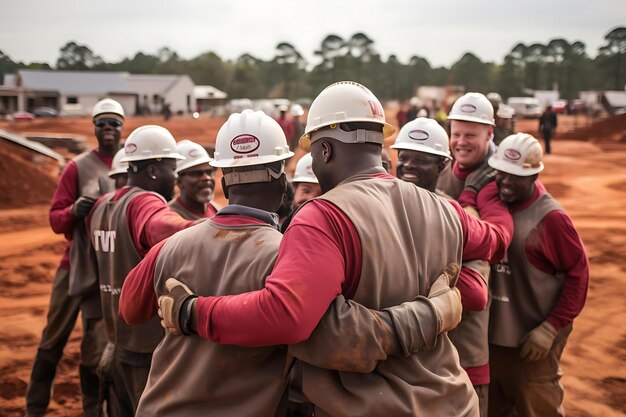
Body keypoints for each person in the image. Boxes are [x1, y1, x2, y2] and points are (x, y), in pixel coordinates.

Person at [159, 81, 518, 416]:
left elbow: (287, 316)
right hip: (452, 400)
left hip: (373, 407)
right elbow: (491, 241)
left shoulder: (323, 216)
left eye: (313, 154)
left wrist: (193, 312)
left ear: (325, 150)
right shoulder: (443, 208)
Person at [392, 117, 513, 417]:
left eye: (420, 160)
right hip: (406, 369)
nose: (408, 166)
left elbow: (475, 294)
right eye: (403, 157)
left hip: (463, 364)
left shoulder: (458, 218)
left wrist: (402, 274)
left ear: (442, 167)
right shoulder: (386, 211)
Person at [86, 125, 196, 416]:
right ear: (153, 171)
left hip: (116, 341)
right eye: (173, 168)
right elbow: (166, 229)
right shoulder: (144, 202)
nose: (176, 178)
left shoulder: (101, 206)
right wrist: (216, 226)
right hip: (147, 349)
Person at [25, 98, 124, 417]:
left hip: (109, 270)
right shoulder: (78, 167)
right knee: (53, 340)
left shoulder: (127, 167)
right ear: (94, 128)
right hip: (75, 266)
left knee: (95, 353)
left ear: (122, 127)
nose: (107, 128)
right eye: (101, 123)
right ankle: (34, 408)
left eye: (113, 123)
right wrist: (72, 211)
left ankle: (93, 410)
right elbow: (55, 220)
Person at [487, 133, 589, 417]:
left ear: (533, 176)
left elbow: (578, 274)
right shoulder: (495, 203)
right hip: (493, 344)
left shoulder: (551, 219)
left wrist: (551, 327)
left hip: (531, 349)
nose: (505, 182)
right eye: (501, 174)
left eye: (515, 177)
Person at [436, 92, 499, 415]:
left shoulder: (501, 179)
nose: (461, 142)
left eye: (471, 135)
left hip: (488, 324)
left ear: (490, 134)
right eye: (456, 134)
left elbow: (499, 239)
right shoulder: (443, 171)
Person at [169, 140, 220, 220]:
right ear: (179, 180)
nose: (206, 178)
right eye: (196, 174)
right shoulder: (171, 217)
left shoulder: (217, 210)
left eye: (209, 172)